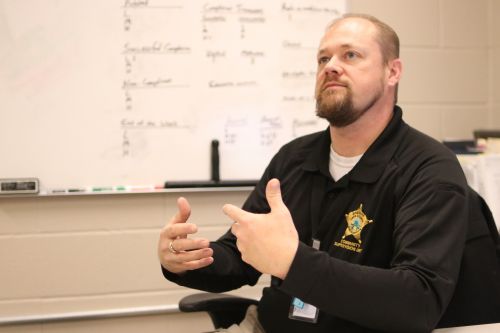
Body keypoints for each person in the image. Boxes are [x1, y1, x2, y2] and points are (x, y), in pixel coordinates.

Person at [158, 13, 500, 333]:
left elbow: (418, 300)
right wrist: (189, 261)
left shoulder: (428, 169)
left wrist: (293, 262)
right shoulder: (294, 158)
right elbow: (240, 256)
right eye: (324, 59)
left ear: (392, 72)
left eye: (350, 55)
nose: (331, 67)